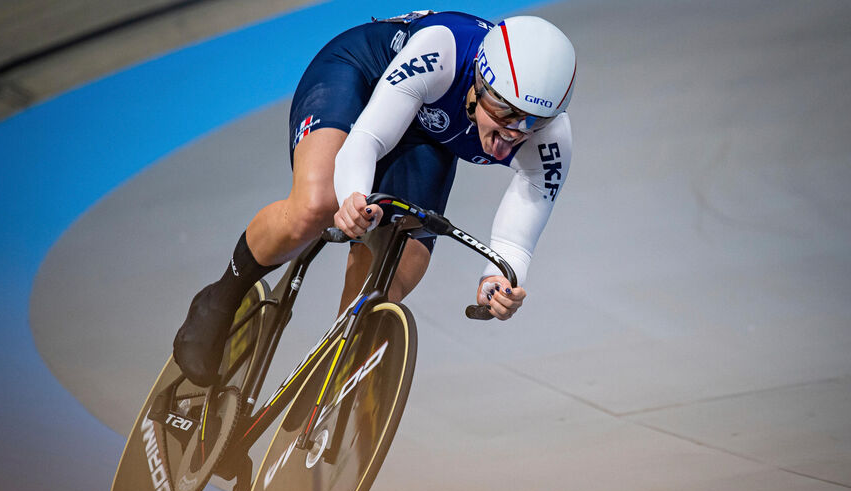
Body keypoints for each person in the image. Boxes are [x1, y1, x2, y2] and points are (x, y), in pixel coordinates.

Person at [174, 10, 576, 386]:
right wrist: (352, 197)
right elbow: (367, 138)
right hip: (359, 76)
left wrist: (499, 280)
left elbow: (514, 243)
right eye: (506, 114)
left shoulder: (551, 137)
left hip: (424, 131)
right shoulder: (442, 51)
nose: (514, 133)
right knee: (316, 205)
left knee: (397, 271)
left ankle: (328, 379)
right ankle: (220, 297)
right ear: (479, 82)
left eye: (532, 122)